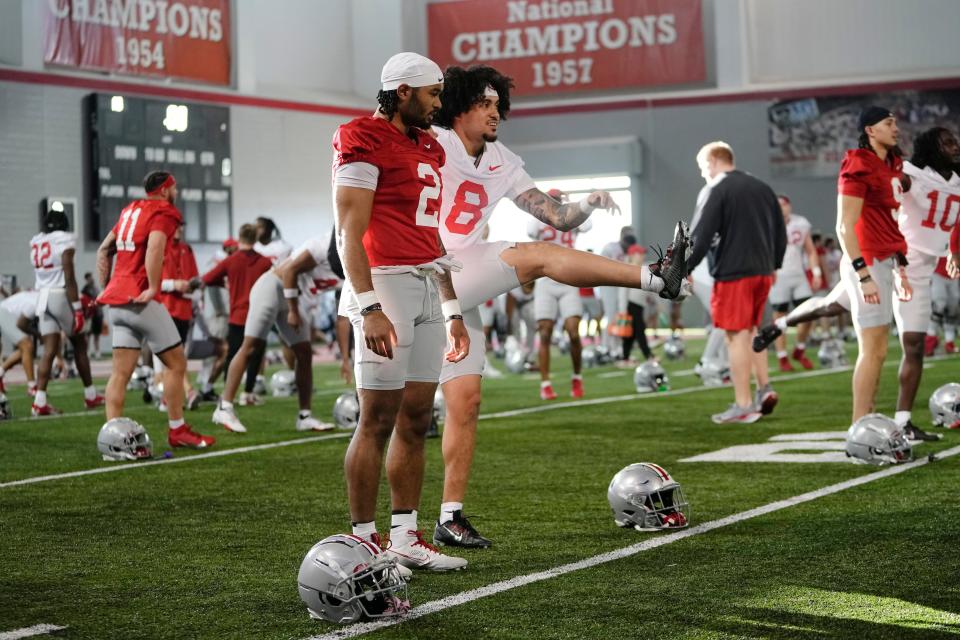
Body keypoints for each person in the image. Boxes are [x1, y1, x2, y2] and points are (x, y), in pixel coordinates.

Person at [430, 64, 690, 548]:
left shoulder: (501, 158)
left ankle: (450, 516)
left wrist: (588, 204)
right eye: (484, 104)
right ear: (459, 106)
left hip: (459, 275)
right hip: (422, 273)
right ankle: (656, 280)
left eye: (497, 105)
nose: (495, 114)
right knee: (396, 416)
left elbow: (556, 215)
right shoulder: (433, 145)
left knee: (466, 403)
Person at [335, 52, 470, 572]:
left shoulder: (429, 145)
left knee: (417, 417)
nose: (439, 104)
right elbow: (349, 232)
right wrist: (368, 306)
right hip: (385, 284)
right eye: (433, 94)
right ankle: (364, 543)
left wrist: (453, 305)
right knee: (377, 418)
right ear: (404, 92)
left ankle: (405, 537)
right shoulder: (360, 137)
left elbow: (431, 232)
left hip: (427, 284)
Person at [756, 125, 959, 441]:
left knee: (833, 306)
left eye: (955, 141)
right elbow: (880, 189)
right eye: (947, 142)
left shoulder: (957, 181)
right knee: (904, 342)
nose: (955, 146)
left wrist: (955, 252)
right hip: (895, 264)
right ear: (932, 148)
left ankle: (782, 324)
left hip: (918, 270)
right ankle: (893, 423)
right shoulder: (910, 174)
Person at [95, 171, 215, 448]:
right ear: (165, 190)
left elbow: (103, 250)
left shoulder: (129, 211)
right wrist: (151, 287)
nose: (177, 193)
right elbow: (155, 247)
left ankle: (111, 436)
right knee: (177, 364)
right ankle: (177, 429)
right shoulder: (164, 210)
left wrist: (107, 287)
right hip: (139, 300)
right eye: (175, 188)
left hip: (116, 301)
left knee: (120, 373)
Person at [686, 141, 786, 424]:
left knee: (735, 336)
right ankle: (763, 387)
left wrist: (684, 268)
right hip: (763, 271)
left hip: (734, 272)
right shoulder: (762, 187)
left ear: (715, 161)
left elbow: (701, 234)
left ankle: (743, 403)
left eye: (704, 167)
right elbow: (780, 229)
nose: (704, 174)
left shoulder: (717, 189)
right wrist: (774, 264)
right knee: (754, 331)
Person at [211, 232, 341, 433]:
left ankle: (304, 416)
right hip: (272, 286)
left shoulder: (354, 260)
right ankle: (224, 407)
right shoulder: (322, 246)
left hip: (294, 299)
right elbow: (289, 271)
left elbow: (343, 310)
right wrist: (294, 311)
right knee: (250, 346)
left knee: (305, 353)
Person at [29, 209, 104, 415]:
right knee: (80, 344)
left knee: (48, 350)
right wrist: (78, 308)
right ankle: (90, 395)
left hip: (42, 297)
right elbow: (69, 275)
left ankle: (39, 401)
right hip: (59, 295)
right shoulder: (64, 240)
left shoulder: (37, 241)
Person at [526, 188, 593, 399]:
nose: (555, 202)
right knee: (544, 333)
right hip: (546, 280)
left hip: (569, 278)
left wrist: (571, 205)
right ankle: (545, 384)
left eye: (557, 199)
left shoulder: (570, 214)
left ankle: (577, 377)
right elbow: (530, 229)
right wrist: (541, 206)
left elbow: (587, 224)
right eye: (552, 199)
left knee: (574, 332)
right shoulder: (539, 218)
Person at [199, 224, 273, 404]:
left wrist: (225, 283)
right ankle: (248, 393)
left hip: (237, 315)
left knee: (233, 355)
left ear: (239, 238)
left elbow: (207, 279)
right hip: (258, 315)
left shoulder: (230, 261)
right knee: (256, 354)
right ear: (255, 239)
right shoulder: (265, 262)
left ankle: (227, 394)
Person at [767, 194, 822, 371]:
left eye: (784, 204)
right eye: (779, 205)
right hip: (778, 275)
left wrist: (816, 272)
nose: (782, 207)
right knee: (779, 317)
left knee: (809, 313)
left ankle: (799, 348)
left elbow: (811, 251)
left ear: (789, 206)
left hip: (798, 276)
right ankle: (782, 356)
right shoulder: (767, 223)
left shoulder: (800, 223)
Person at [155, 222, 201, 410]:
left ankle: (167, 397)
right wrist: (174, 285)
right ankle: (188, 391)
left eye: (181, 226)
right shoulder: (158, 248)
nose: (179, 229)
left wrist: (193, 286)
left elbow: (196, 278)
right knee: (174, 358)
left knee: (175, 359)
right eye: (175, 225)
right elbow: (151, 282)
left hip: (183, 310)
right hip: (165, 308)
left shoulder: (186, 249)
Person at [0, 289, 39, 394]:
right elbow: (21, 324)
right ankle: (32, 386)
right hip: (4, 311)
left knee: (27, 349)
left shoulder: (39, 297)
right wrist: (38, 335)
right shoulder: (37, 302)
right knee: (27, 345)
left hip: (7, 311)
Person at [81, 272, 104, 358]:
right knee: (88, 334)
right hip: (90, 315)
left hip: (98, 314)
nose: (92, 279)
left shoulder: (96, 288)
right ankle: (88, 351)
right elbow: (84, 303)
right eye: (90, 278)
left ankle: (97, 351)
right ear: (86, 279)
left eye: (92, 277)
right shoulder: (85, 290)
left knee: (97, 334)